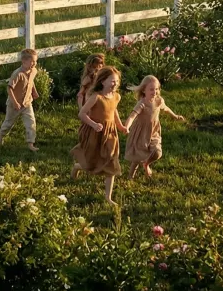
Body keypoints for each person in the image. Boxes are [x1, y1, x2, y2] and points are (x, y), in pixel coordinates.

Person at [70, 66, 128, 204]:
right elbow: (82, 114)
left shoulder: (116, 96)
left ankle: (108, 197)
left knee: (111, 161)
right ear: (103, 82)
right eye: (112, 81)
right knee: (92, 161)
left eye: (117, 81)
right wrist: (94, 125)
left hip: (110, 133)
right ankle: (78, 167)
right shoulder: (96, 97)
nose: (115, 84)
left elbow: (114, 111)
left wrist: (121, 126)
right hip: (94, 132)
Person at [123, 75, 186, 179]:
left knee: (157, 152)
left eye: (156, 89)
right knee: (138, 158)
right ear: (144, 90)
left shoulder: (159, 100)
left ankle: (146, 164)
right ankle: (130, 176)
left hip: (153, 131)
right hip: (141, 132)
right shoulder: (142, 103)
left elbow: (165, 109)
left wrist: (175, 116)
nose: (155, 92)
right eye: (151, 89)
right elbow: (132, 116)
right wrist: (127, 127)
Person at [0, 48, 40, 152]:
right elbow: (9, 88)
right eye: (32, 61)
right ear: (24, 61)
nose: (34, 64)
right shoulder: (18, 74)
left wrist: (34, 91)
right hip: (14, 104)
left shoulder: (34, 71)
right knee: (8, 123)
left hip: (27, 103)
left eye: (35, 61)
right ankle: (1, 136)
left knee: (31, 122)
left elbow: (31, 81)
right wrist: (15, 102)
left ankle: (30, 143)